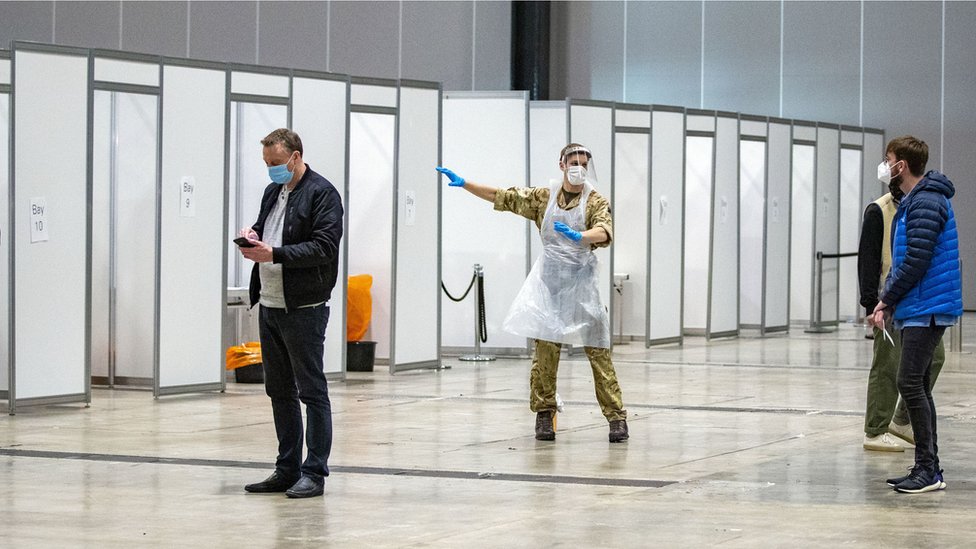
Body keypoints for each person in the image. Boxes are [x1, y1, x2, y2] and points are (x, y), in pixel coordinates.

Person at [437, 143, 629, 443]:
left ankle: (616, 417)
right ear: (562, 164)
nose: (578, 167)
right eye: (573, 161)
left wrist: (581, 236)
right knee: (544, 356)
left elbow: (605, 231)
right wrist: (465, 184)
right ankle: (544, 415)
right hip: (550, 290)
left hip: (583, 290)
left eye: (583, 163)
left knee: (599, 354)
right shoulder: (543, 198)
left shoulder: (595, 201)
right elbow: (505, 197)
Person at [238, 128, 344, 498]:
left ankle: (314, 472)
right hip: (269, 302)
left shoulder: (323, 194)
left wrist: (275, 254)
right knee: (278, 390)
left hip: (304, 307)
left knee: (312, 391)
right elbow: (272, 234)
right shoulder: (273, 192)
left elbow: (324, 248)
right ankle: (287, 468)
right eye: (267, 164)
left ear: (296, 157)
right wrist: (253, 238)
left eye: (277, 164)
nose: (271, 170)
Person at [867, 135, 962, 494]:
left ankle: (929, 469)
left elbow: (916, 260)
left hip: (927, 306)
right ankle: (928, 466)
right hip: (919, 305)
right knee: (917, 384)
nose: (885, 165)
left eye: (888, 159)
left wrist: (886, 298)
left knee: (909, 383)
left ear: (901, 165)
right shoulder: (917, 201)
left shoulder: (925, 202)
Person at [857, 177, 945, 453]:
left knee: (935, 358)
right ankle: (875, 429)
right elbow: (868, 260)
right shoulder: (879, 210)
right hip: (889, 300)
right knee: (887, 365)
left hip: (916, 302)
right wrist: (872, 305)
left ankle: (901, 419)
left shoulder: (914, 207)